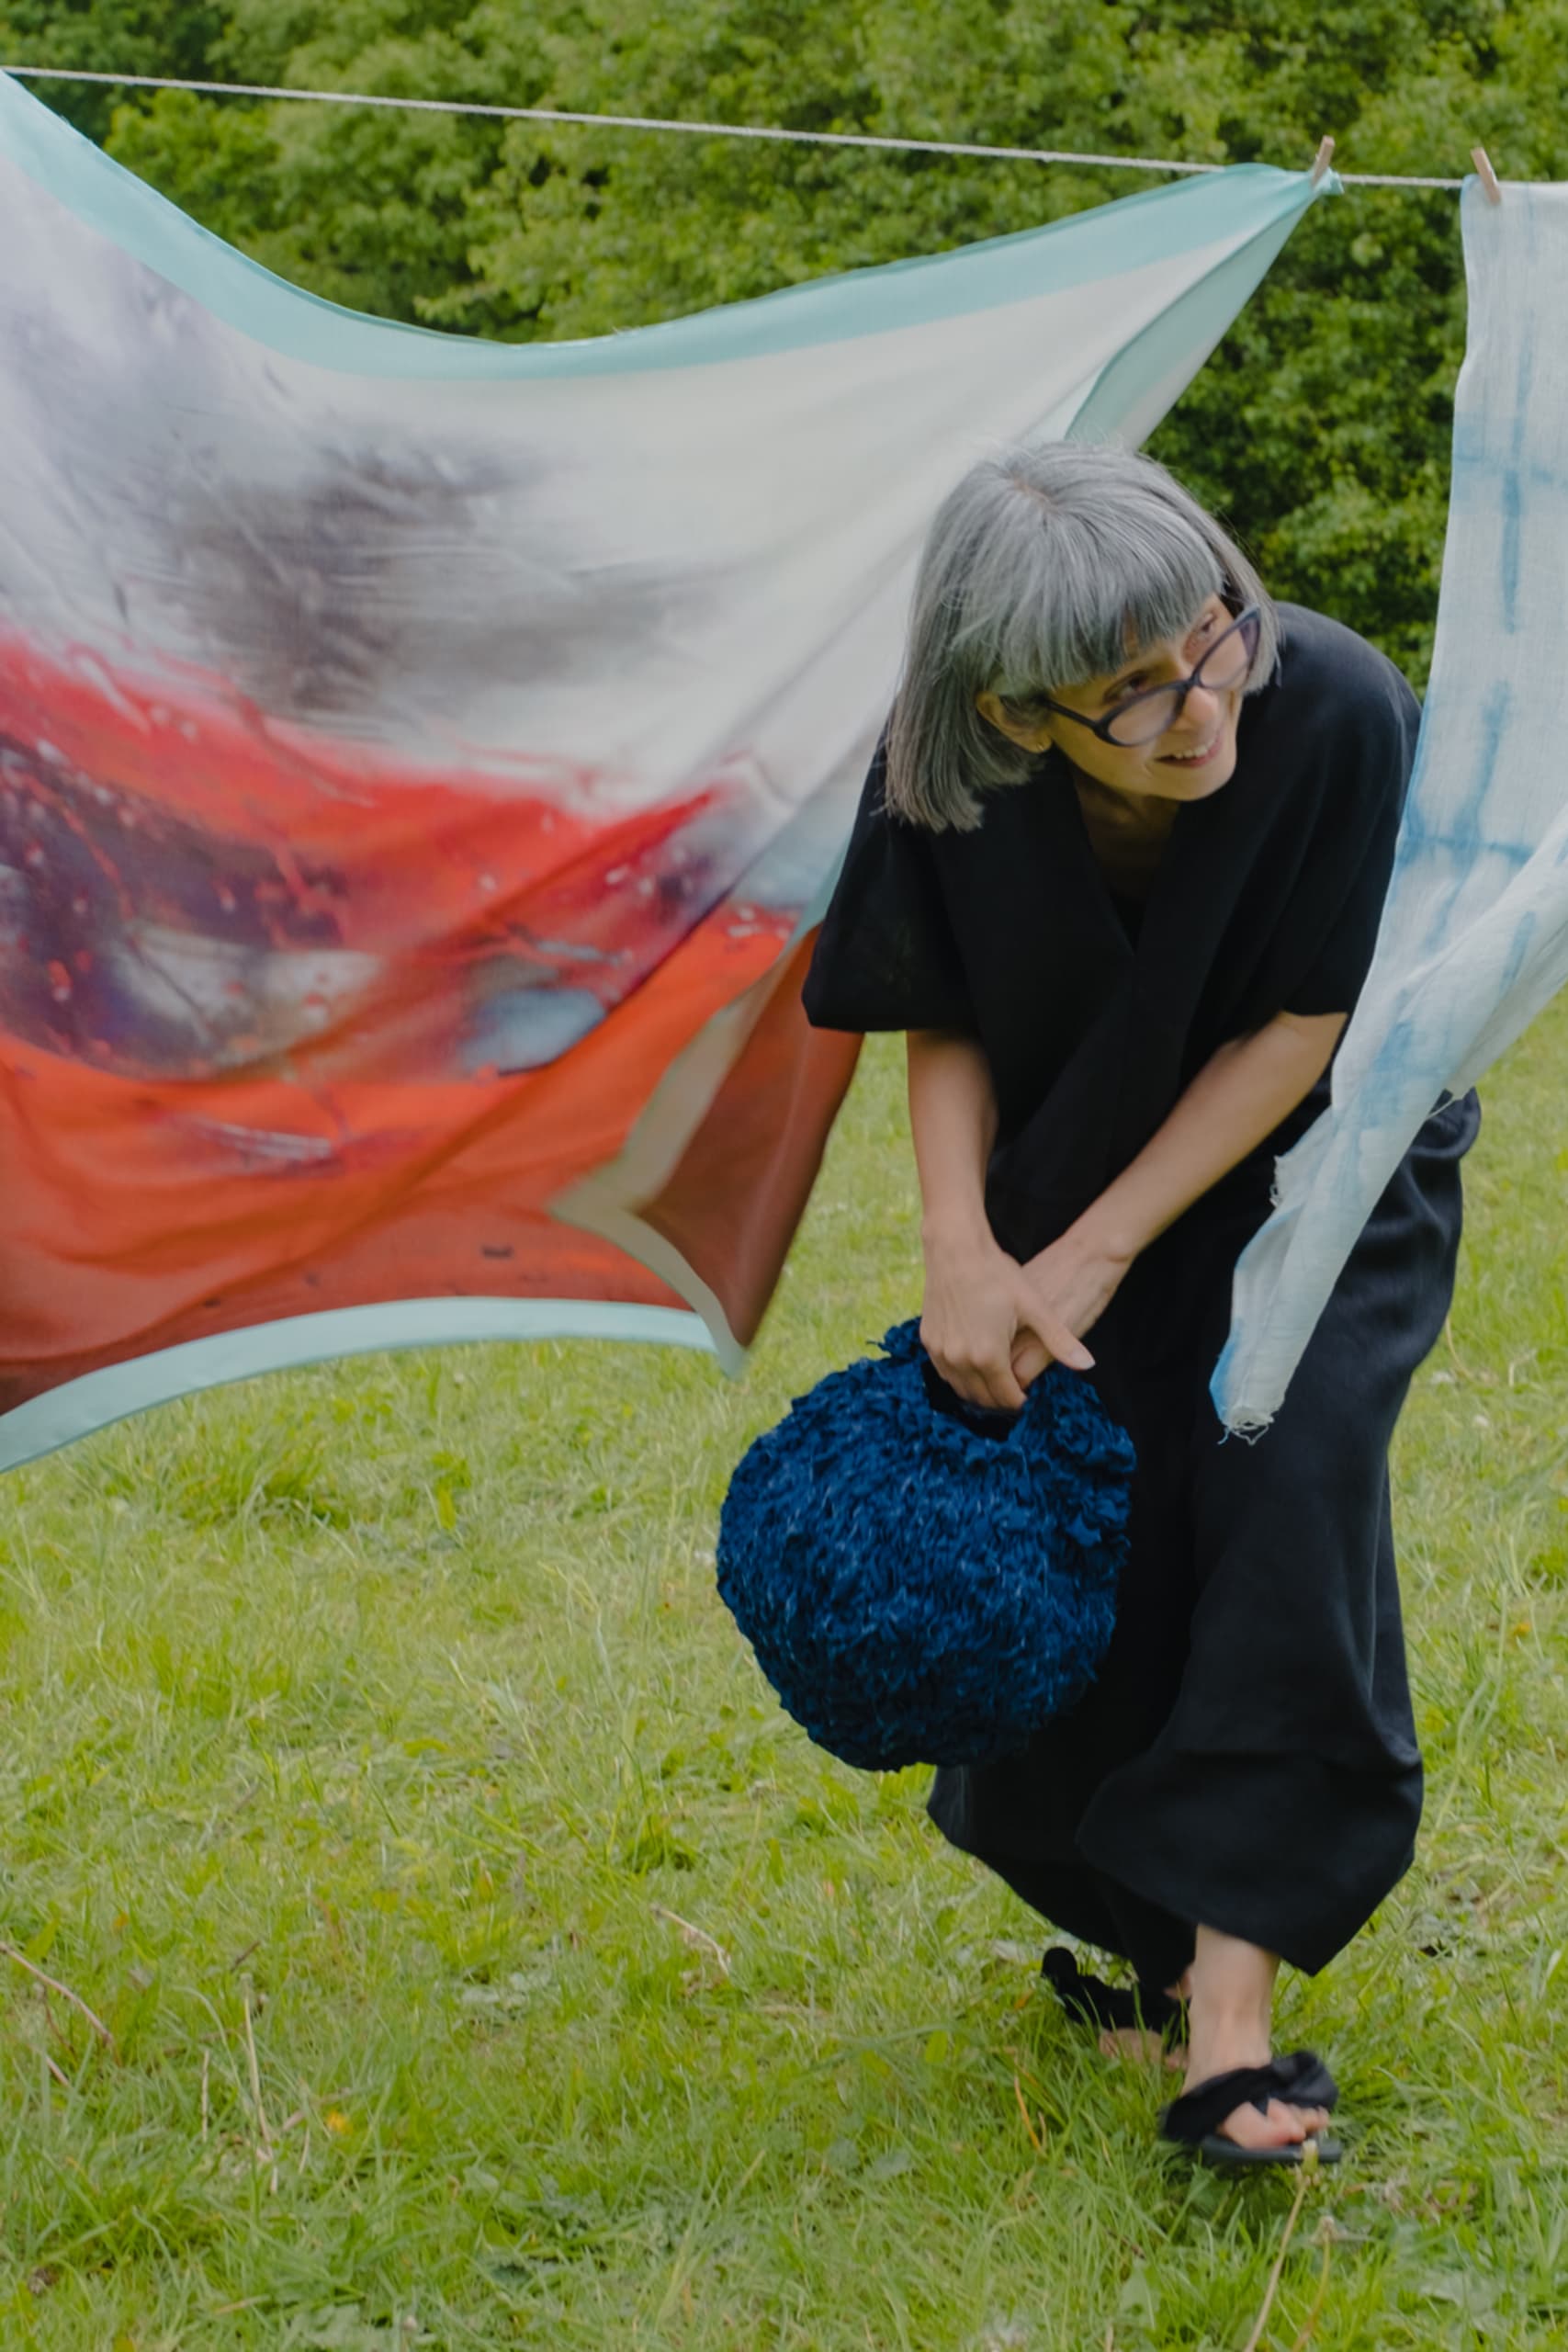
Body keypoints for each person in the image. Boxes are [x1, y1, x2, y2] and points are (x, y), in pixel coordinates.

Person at [801, 440, 1478, 2166]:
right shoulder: (943, 760)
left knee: (1283, 1477)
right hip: (1069, 1144)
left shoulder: (1332, 705)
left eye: (1213, 631)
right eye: (1136, 689)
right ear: (1021, 714)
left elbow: (1304, 1029)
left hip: (1326, 1150)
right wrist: (962, 1243)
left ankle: (1231, 2037)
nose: (1203, 697)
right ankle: (1160, 1952)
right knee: (1096, 1527)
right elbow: (932, 995)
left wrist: (1091, 1252)